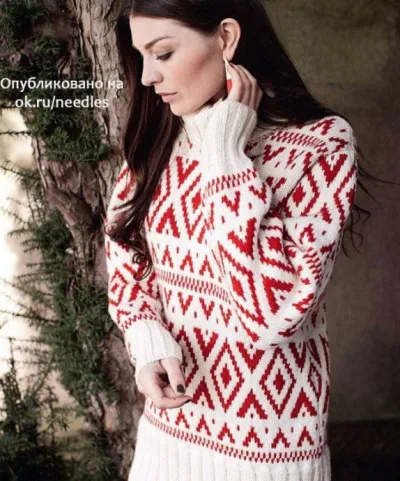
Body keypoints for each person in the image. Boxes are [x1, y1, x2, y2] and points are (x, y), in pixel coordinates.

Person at [104, 1, 362, 479]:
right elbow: (125, 253)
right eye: (142, 56)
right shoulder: (160, 137)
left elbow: (273, 315)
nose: (148, 77)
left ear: (226, 37)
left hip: (269, 458)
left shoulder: (321, 144)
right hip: (166, 441)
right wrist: (146, 338)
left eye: (163, 53)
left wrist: (225, 155)